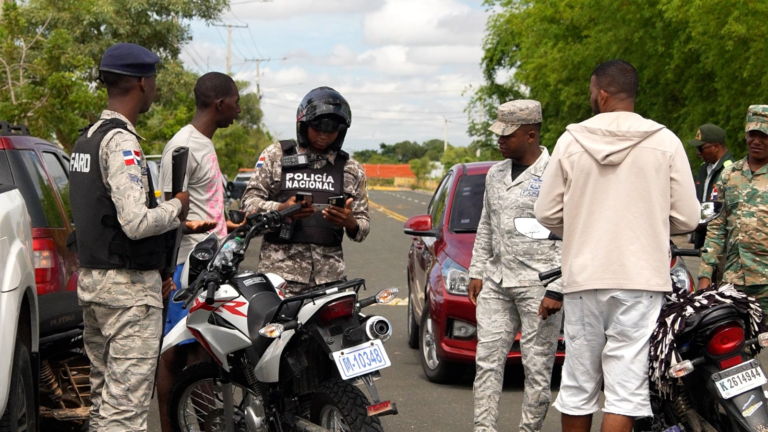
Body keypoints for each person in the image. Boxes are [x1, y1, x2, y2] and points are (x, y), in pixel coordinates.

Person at [534, 59, 700, 432]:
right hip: (641, 279)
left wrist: (582, 225)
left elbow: (546, 211)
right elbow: (688, 219)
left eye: (592, 93)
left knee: (577, 384)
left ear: (603, 94)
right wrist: (650, 224)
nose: (591, 98)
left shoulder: (570, 141)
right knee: (625, 390)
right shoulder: (665, 141)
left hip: (584, 278)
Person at [67, 43, 191, 432]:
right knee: (125, 414)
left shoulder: (85, 138)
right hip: (128, 296)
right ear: (142, 81)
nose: (153, 87)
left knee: (105, 403)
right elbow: (135, 222)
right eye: (152, 80)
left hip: (94, 285)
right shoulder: (121, 141)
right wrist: (178, 207)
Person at [467, 100, 563, 432]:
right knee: (487, 362)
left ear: (531, 135)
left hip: (539, 284)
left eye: (508, 135)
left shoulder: (557, 173)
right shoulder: (495, 173)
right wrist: (477, 270)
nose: (500, 140)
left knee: (537, 369)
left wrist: (558, 287)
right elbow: (486, 225)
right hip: (496, 280)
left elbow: (574, 230)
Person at [156, 71, 241, 432]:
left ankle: (208, 425)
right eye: (236, 102)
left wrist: (227, 226)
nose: (238, 109)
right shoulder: (183, 146)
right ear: (220, 103)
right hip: (186, 268)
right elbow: (165, 214)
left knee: (206, 352)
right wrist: (165, 276)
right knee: (177, 354)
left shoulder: (204, 143)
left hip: (211, 266)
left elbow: (203, 205)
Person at [240, 87, 369, 295]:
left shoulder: (351, 168)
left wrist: (350, 221)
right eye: (317, 128)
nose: (323, 136)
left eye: (331, 131)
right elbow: (248, 202)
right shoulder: (276, 156)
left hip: (329, 282)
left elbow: (363, 225)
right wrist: (282, 209)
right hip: (279, 280)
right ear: (304, 125)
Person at [698, 105, 768, 318]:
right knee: (733, 345)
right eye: (752, 134)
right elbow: (715, 226)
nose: (756, 141)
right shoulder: (728, 175)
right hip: (734, 280)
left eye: (763, 135)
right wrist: (705, 274)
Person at [686, 123, 734, 249]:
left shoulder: (730, 170)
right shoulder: (704, 168)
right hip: (705, 239)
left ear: (716, 147)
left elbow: (726, 209)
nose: (697, 153)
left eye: (700, 148)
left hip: (722, 243)